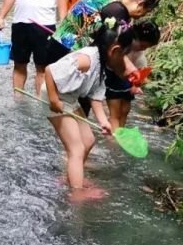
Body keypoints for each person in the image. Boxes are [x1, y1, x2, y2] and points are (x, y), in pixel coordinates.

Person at [44, 23, 124, 197]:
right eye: (124, 55)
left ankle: (71, 178)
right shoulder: (86, 59)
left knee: (88, 141)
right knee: (76, 148)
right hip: (55, 95)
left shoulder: (103, 65)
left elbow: (96, 98)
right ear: (114, 51)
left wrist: (104, 122)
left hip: (70, 97)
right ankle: (77, 192)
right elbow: (49, 70)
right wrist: (53, 99)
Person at [44, 0, 160, 65]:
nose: (144, 15)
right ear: (140, 3)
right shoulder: (115, 9)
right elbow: (115, 48)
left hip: (58, 48)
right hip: (67, 56)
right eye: (147, 11)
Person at [109, 20, 162, 130]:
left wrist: (136, 86)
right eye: (142, 45)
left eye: (146, 48)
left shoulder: (139, 54)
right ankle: (113, 137)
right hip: (113, 77)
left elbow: (141, 72)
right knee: (114, 111)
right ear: (134, 37)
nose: (143, 49)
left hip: (127, 80)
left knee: (125, 110)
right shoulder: (121, 45)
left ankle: (121, 132)